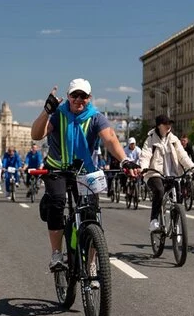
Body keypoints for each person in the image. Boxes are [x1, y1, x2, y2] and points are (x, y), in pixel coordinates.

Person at [31, 79, 136, 270]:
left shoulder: (96, 117)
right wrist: (46, 111)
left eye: (83, 96)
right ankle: (56, 254)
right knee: (57, 202)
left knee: (91, 213)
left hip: (85, 171)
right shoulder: (58, 114)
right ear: (69, 96)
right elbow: (36, 135)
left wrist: (125, 160)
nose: (79, 99)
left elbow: (110, 139)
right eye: (75, 95)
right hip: (57, 169)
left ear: (89, 98)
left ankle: (92, 263)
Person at [139, 114, 194, 232]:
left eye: (169, 123)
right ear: (159, 126)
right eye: (166, 124)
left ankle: (175, 225)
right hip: (155, 173)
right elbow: (145, 155)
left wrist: (193, 167)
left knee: (179, 197)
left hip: (173, 174)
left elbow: (183, 156)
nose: (168, 126)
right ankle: (154, 220)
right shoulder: (150, 139)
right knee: (159, 191)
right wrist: (143, 168)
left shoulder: (174, 140)